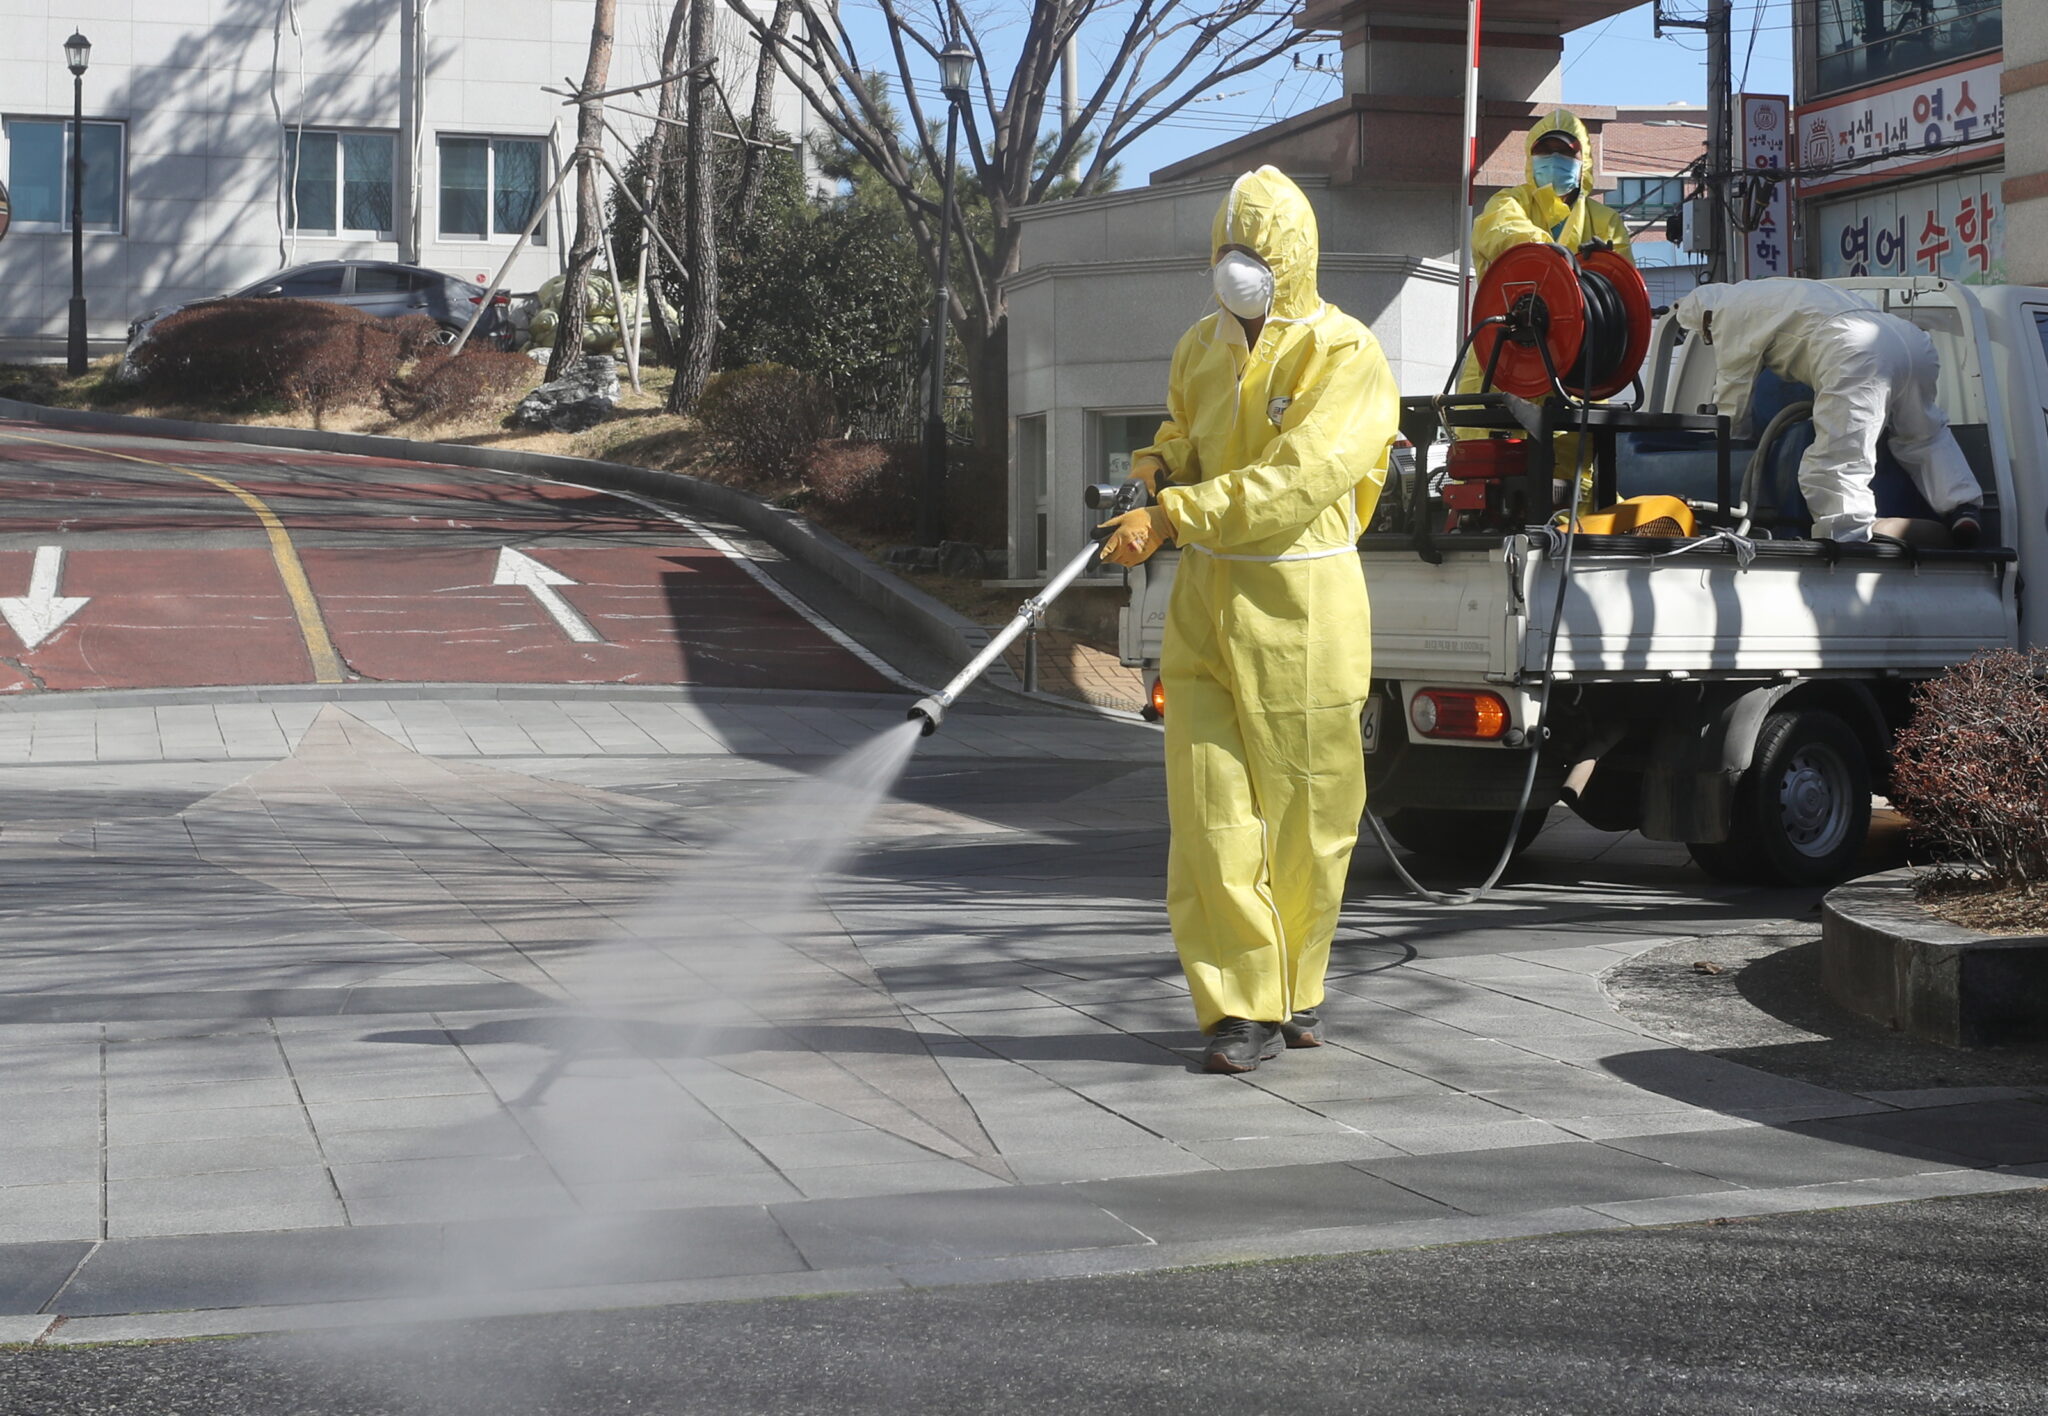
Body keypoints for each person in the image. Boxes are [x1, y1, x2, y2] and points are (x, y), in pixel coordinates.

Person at [1094, 167, 1400, 1074]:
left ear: (1294, 258)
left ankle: (1297, 985)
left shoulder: (1346, 355)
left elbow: (1296, 482)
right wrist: (1148, 477)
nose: (1241, 270)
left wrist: (1175, 516)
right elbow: (1184, 435)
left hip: (1303, 608)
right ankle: (1240, 1008)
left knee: (1309, 819)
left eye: (1258, 255)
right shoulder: (1200, 345)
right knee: (1210, 815)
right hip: (1204, 608)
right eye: (1230, 251)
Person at [1670, 279, 1983, 545]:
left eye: (1704, 333)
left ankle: (1849, 538)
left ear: (1706, 317)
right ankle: (1963, 508)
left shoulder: (1727, 312)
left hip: (1855, 348)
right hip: (1910, 341)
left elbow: (1733, 393)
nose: (1709, 339)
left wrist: (1729, 444)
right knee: (1923, 436)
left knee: (1836, 460)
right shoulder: (1770, 290)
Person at [1457, 108, 1635, 509]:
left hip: (1577, 369)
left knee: (1570, 484)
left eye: (1564, 154)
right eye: (1544, 152)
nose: (1553, 162)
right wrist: (1550, 252)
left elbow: (1621, 290)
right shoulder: (1509, 203)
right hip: (1501, 362)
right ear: (1529, 158)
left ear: (1582, 162)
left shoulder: (1605, 222)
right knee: (1490, 475)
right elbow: (1502, 232)